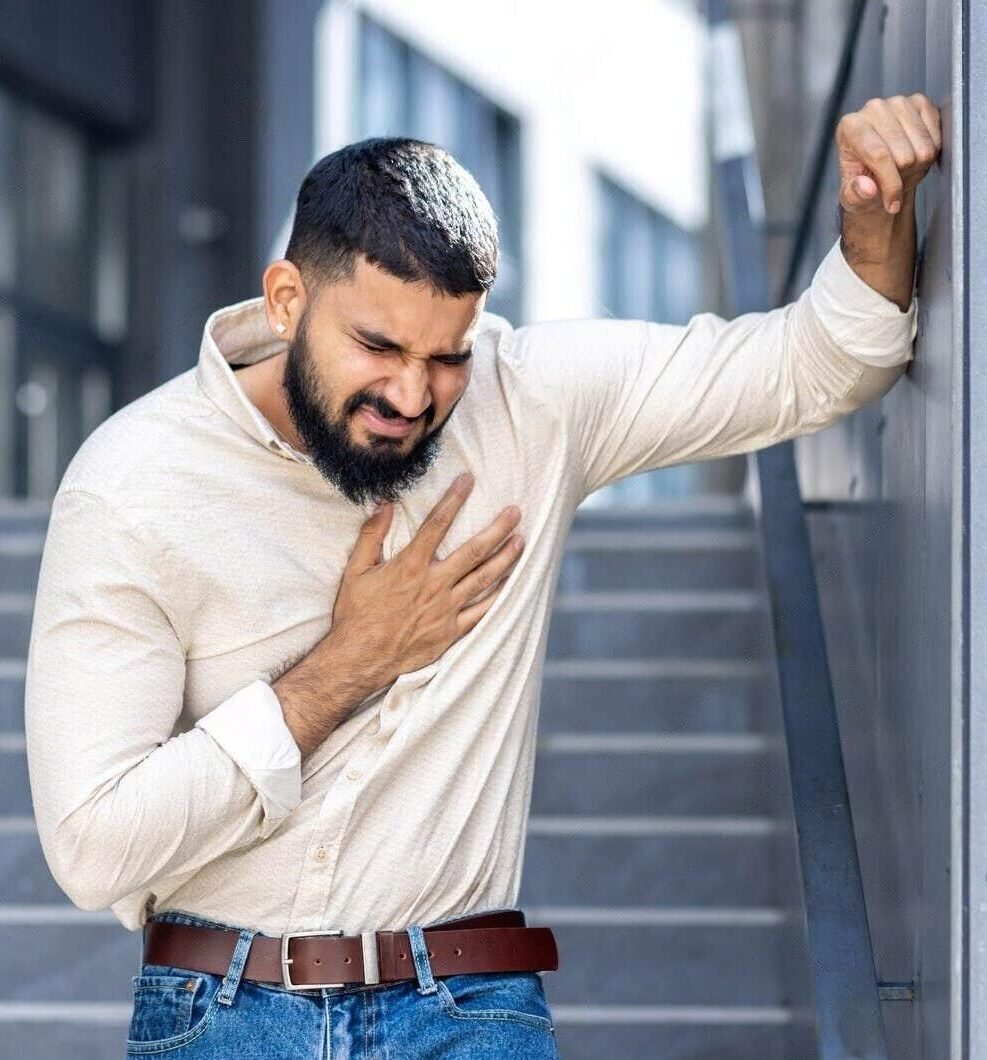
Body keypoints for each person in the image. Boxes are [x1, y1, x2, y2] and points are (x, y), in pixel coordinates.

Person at [24, 92, 940, 1059]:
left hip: (465, 1010)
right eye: (376, 347)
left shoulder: (530, 403)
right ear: (286, 299)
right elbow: (94, 849)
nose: (412, 396)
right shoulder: (134, 484)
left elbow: (821, 361)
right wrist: (350, 662)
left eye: (445, 356)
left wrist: (874, 211)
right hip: (217, 1017)